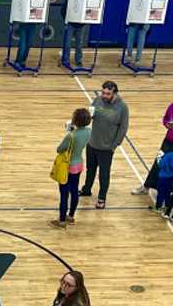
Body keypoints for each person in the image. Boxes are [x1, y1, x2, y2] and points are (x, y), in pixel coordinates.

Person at [82, 81, 129, 209]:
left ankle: (102, 198)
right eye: (103, 92)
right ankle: (87, 189)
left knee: (104, 174)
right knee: (90, 170)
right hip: (92, 143)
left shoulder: (122, 107)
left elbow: (123, 128)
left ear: (115, 93)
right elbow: (89, 116)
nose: (104, 96)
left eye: (108, 94)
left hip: (106, 148)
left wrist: (114, 146)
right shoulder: (97, 100)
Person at [51, 107, 92, 228]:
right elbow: (81, 135)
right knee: (74, 191)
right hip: (79, 164)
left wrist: (69, 133)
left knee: (64, 194)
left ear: (75, 120)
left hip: (68, 166)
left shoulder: (71, 136)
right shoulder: (89, 131)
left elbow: (59, 149)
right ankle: (71, 216)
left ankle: (62, 220)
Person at [153, 140, 173, 216]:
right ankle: (167, 206)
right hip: (172, 178)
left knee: (161, 193)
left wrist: (159, 157)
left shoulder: (168, 155)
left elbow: (161, 164)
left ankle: (158, 207)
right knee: (168, 193)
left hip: (163, 177)